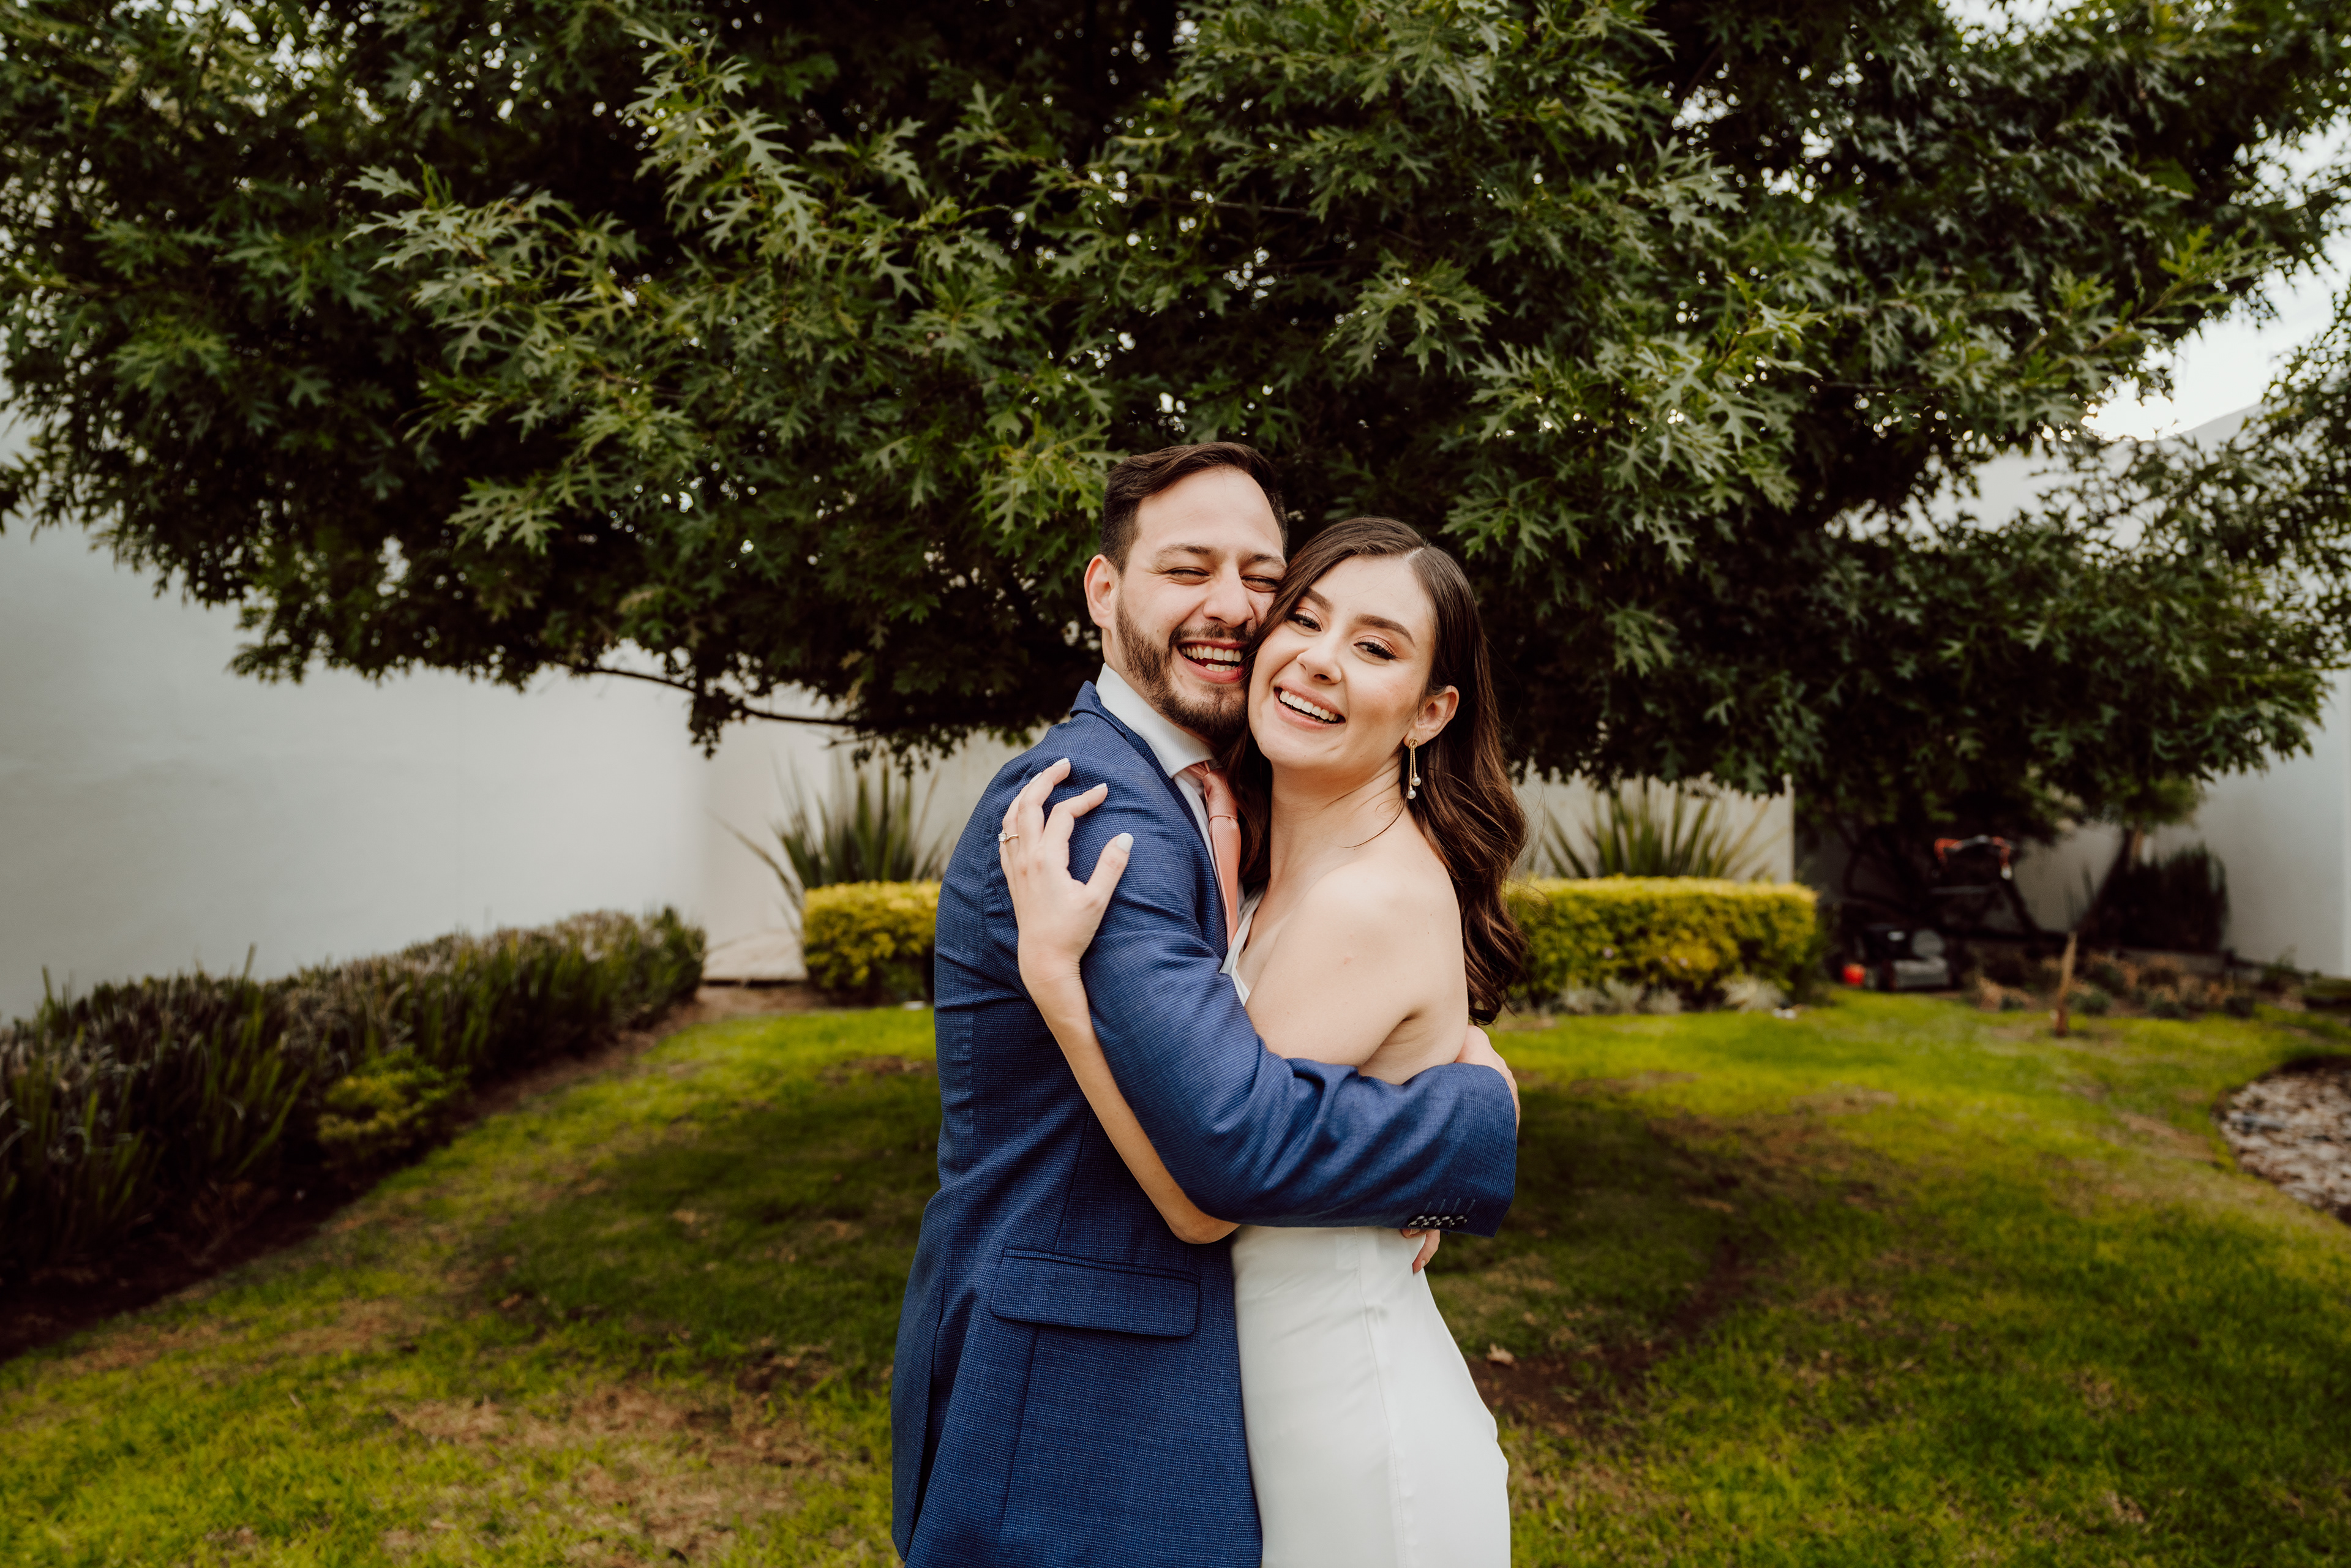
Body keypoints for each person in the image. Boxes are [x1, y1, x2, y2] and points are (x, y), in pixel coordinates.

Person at [890, 444, 1521, 1568]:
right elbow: (1234, 1146)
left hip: (1285, 1402)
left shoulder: (1246, 815)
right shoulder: (1096, 807)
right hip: (1070, 1397)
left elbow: (1259, 1105)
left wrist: (1455, 1052)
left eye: (1261, 577)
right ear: (1103, 590)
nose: (1233, 606)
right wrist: (1472, 1122)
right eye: (1188, 569)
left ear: (1432, 710)